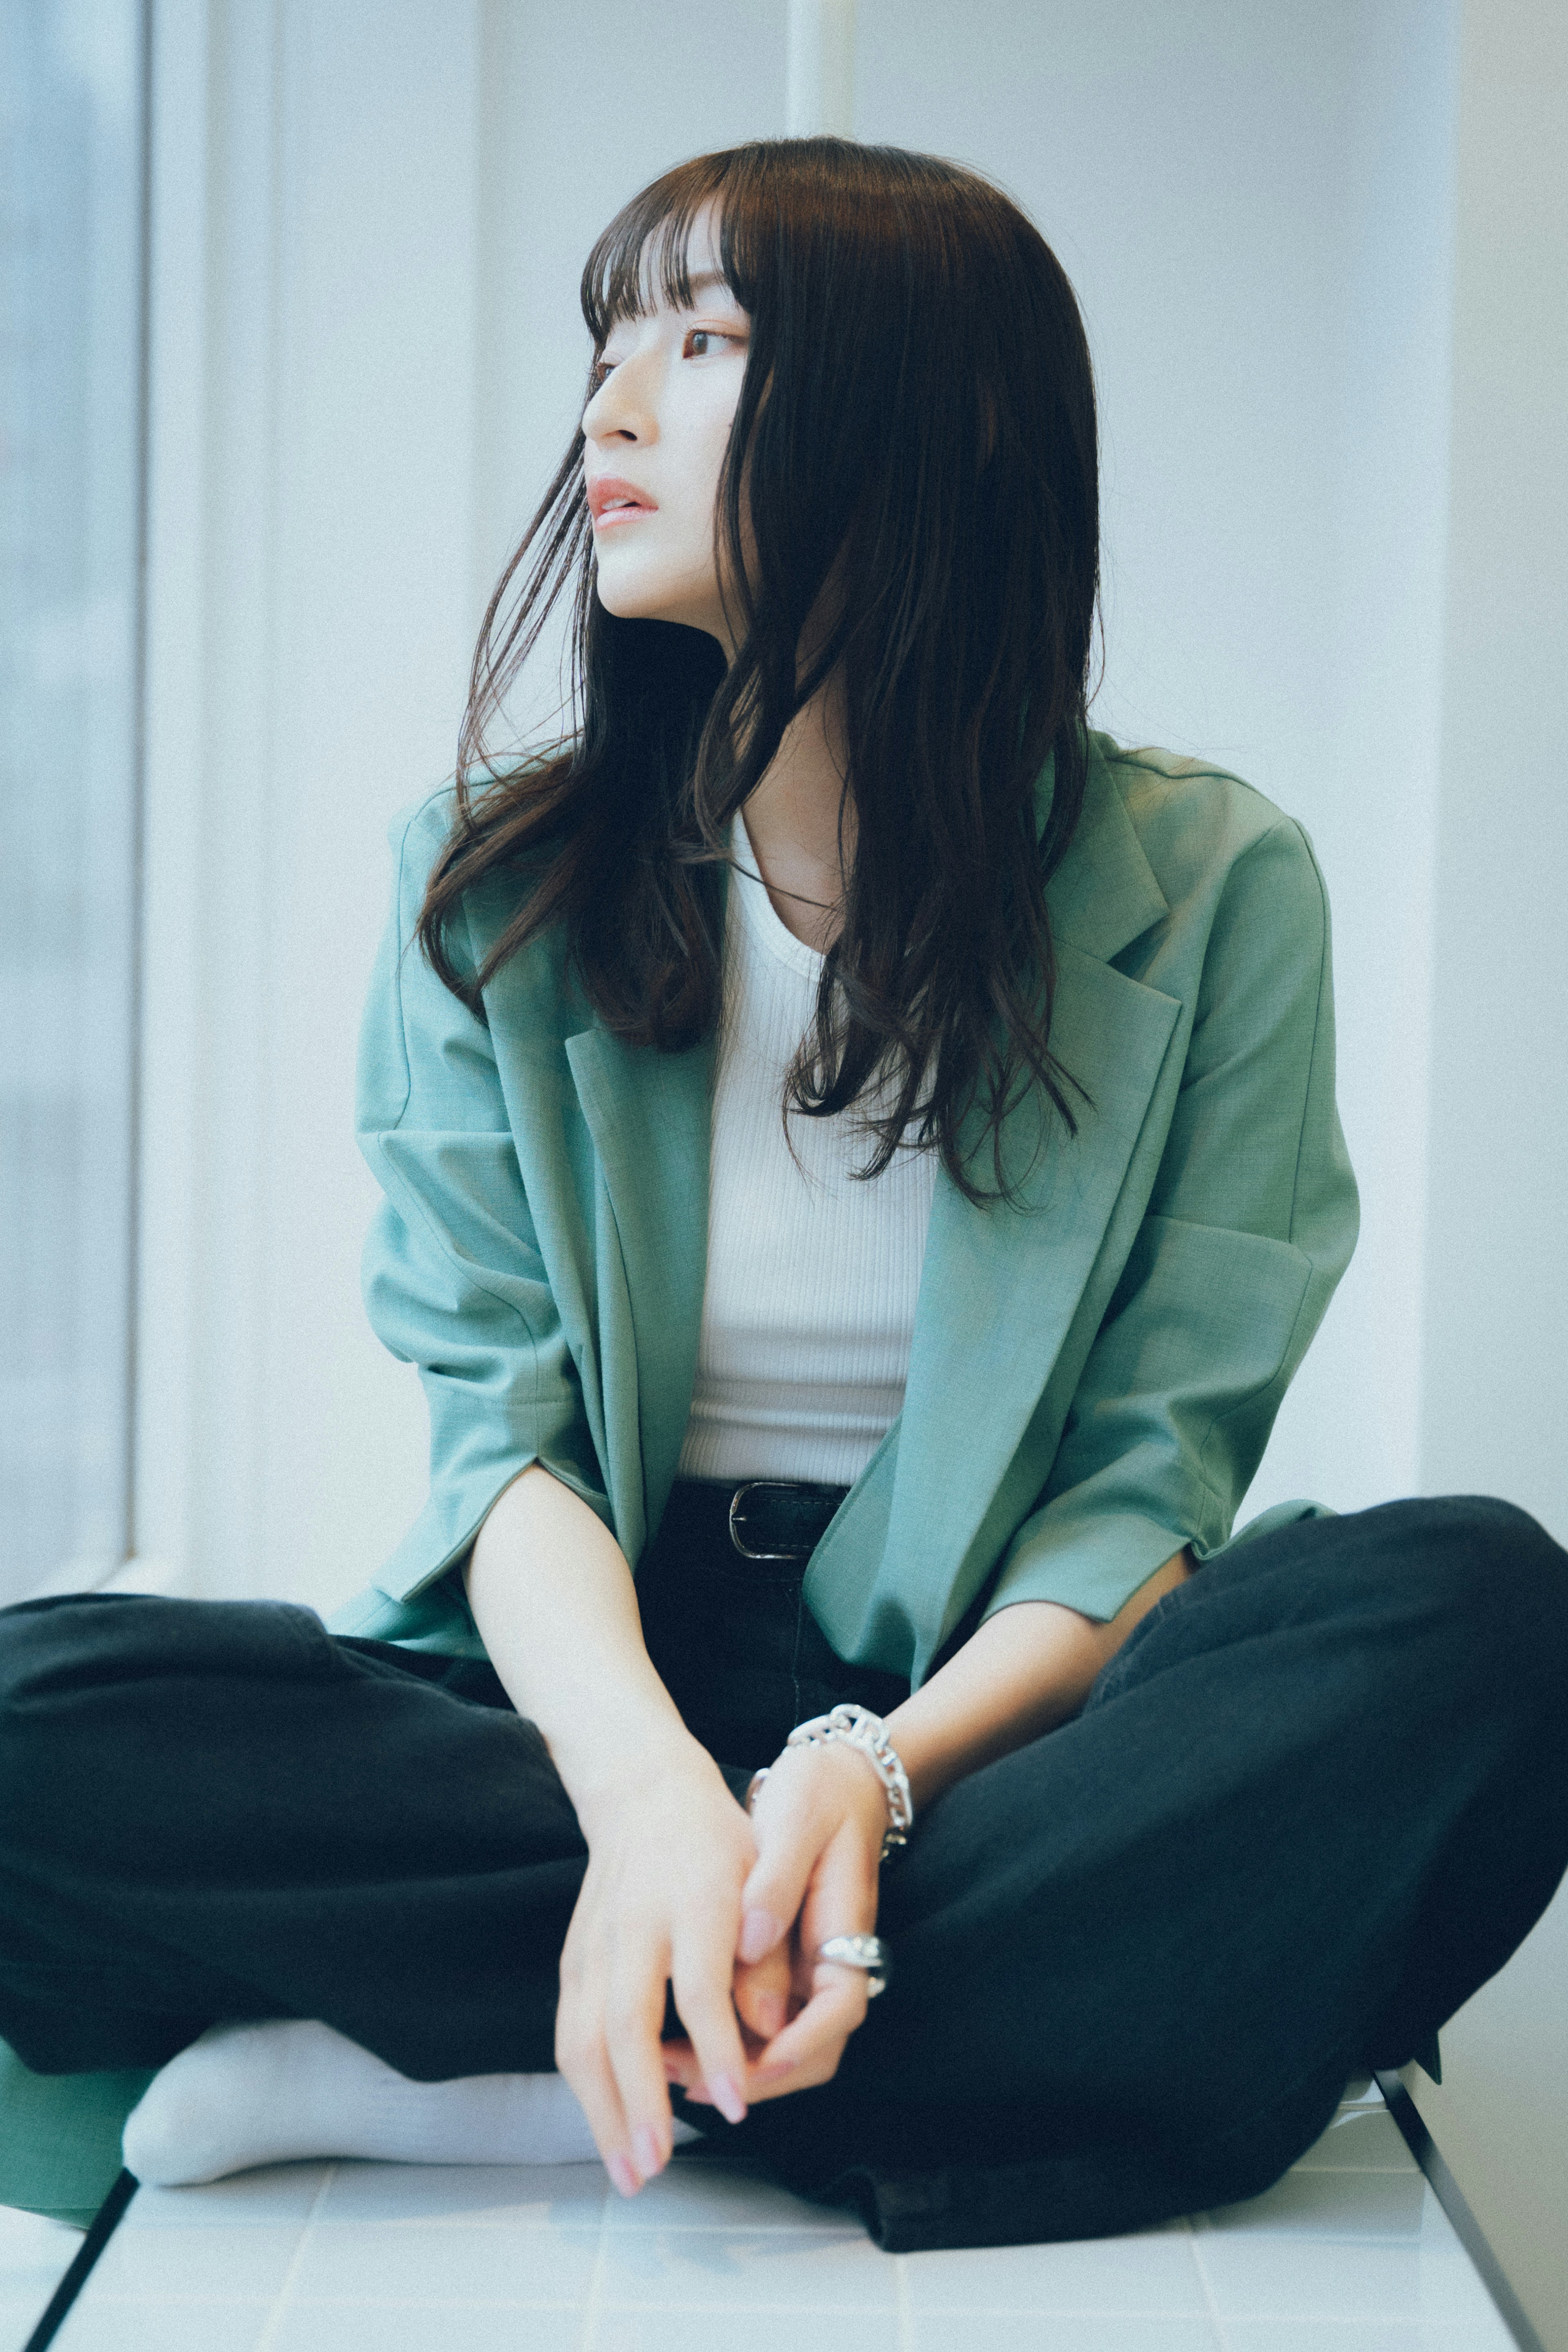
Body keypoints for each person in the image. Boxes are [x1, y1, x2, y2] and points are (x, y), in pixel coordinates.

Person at [2, 138, 1566, 2254]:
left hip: (982, 1737)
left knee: (1482, 1620)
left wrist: (867, 1775)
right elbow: (504, 1446)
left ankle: (545, 2068)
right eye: (605, 346)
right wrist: (655, 1799)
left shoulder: (1214, 893)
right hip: (575, 1709)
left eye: (702, 342)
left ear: (946, 416)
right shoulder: (490, 890)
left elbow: (1144, 1484)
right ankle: (779, 2020)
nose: (607, 412)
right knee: (37, 1726)